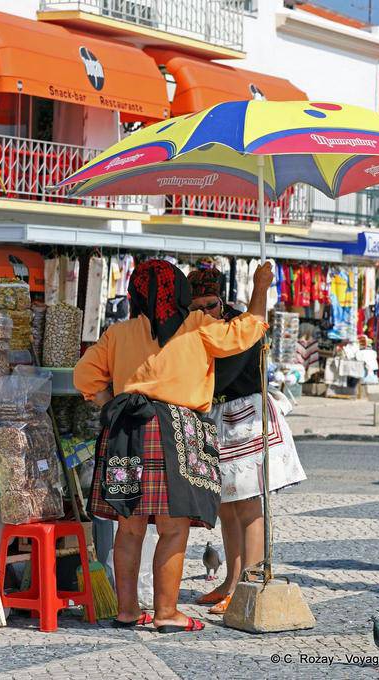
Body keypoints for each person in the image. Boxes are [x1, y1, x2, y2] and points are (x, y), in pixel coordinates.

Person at [73, 258, 272, 634]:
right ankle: (167, 613)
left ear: (134, 294)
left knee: (128, 528)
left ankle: (128, 610)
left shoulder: (119, 333)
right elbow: (247, 332)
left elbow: (84, 376)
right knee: (172, 529)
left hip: (125, 432)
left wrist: (111, 403)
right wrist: (260, 286)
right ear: (180, 292)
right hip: (174, 432)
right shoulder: (196, 326)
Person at [188, 262, 306, 615]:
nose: (203, 312)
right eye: (195, 308)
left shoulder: (242, 324)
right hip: (217, 420)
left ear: (220, 300)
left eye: (209, 305)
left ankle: (249, 586)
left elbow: (222, 375)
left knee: (249, 505)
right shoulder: (194, 329)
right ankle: (231, 580)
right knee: (226, 506)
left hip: (247, 419)